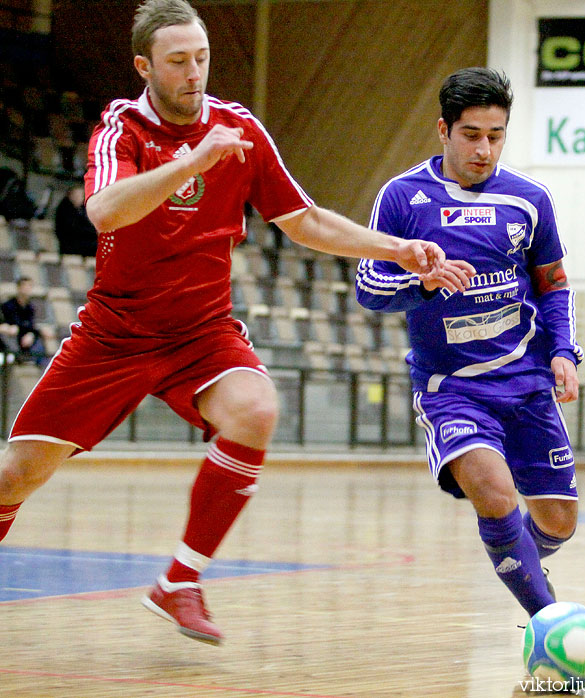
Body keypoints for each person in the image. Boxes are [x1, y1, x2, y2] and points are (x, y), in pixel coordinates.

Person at [0, 0, 470, 646]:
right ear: (144, 66)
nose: (195, 72)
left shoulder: (237, 126)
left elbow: (303, 219)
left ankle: (179, 581)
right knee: (16, 475)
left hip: (201, 331)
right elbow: (105, 211)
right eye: (177, 62)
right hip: (115, 334)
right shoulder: (122, 125)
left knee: (255, 410)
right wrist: (192, 163)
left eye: (202, 58)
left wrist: (397, 249)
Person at [356, 67, 583, 619]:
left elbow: (553, 284)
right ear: (443, 129)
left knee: (557, 521)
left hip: (527, 381)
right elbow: (369, 288)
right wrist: (420, 281)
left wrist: (562, 351)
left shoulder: (530, 200)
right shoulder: (403, 198)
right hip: (451, 387)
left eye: (496, 135)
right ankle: (548, 623)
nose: (485, 149)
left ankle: (518, 557)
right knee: (496, 496)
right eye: (472, 135)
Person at [1, 277, 47, 367]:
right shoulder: (8, 305)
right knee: (11, 333)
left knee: (38, 336)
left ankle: (40, 364)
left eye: (30, 286)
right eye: (25, 286)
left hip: (24, 338)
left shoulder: (30, 308)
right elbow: (10, 324)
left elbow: (30, 326)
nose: (27, 289)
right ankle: (16, 357)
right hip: (12, 337)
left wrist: (31, 334)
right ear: (19, 288)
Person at [54, 184, 98, 256]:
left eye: (81, 196)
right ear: (70, 196)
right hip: (71, 243)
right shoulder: (65, 209)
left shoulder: (82, 208)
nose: (79, 199)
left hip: (84, 239)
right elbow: (73, 228)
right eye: (76, 196)